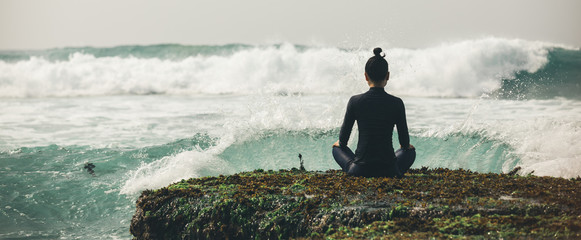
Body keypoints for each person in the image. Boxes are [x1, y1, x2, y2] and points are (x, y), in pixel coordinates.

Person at [332, 47, 415, 177]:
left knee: (337, 148)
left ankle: (355, 165)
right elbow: (404, 143)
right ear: (388, 76)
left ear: (365, 76)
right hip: (390, 171)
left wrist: (340, 145)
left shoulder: (355, 101)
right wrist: (406, 148)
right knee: (410, 151)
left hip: (358, 170)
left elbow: (343, 141)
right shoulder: (397, 103)